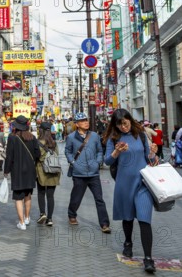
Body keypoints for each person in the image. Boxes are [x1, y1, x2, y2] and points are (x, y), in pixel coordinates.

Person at [104, 109, 160, 274]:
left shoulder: (140, 135)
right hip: (124, 184)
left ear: (130, 120)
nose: (123, 127)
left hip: (142, 183)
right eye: (119, 124)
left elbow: (149, 159)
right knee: (127, 217)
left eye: (125, 123)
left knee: (144, 219)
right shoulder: (113, 138)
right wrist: (117, 151)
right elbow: (107, 161)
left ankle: (148, 258)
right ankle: (128, 242)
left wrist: (152, 153)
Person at [65, 112, 111, 234]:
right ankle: (72, 214)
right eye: (83, 121)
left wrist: (98, 162)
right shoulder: (71, 137)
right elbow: (68, 151)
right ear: (77, 124)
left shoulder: (94, 136)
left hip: (93, 173)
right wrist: (73, 162)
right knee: (76, 197)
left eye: (87, 120)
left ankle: (104, 224)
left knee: (99, 199)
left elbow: (100, 151)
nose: (86, 122)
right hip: (78, 173)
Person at [4, 115, 40, 231]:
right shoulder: (32, 138)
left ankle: (21, 222)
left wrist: (6, 171)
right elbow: (38, 154)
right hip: (30, 170)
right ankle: (27, 217)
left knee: (18, 197)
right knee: (28, 195)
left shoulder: (12, 137)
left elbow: (9, 156)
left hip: (17, 171)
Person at [35, 122, 61, 227]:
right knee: (50, 196)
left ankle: (42, 213)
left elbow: (36, 156)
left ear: (40, 130)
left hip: (41, 170)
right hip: (53, 170)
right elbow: (57, 155)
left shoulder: (38, 142)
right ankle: (50, 219)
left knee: (41, 193)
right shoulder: (54, 143)